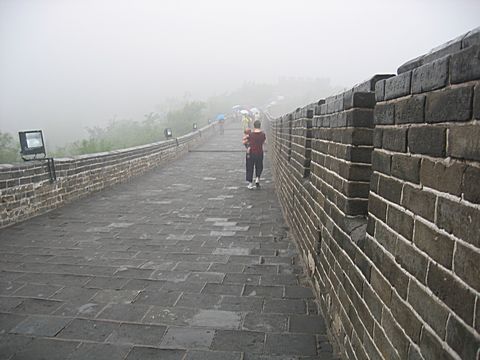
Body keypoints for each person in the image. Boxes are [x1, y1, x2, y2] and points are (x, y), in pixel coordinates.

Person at [246, 120, 266, 189]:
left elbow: (246, 141)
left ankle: (250, 184)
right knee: (259, 166)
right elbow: (263, 142)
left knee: (250, 167)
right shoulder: (263, 135)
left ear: (254, 126)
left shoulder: (251, 135)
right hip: (260, 152)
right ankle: (257, 178)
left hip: (251, 153)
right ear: (260, 126)